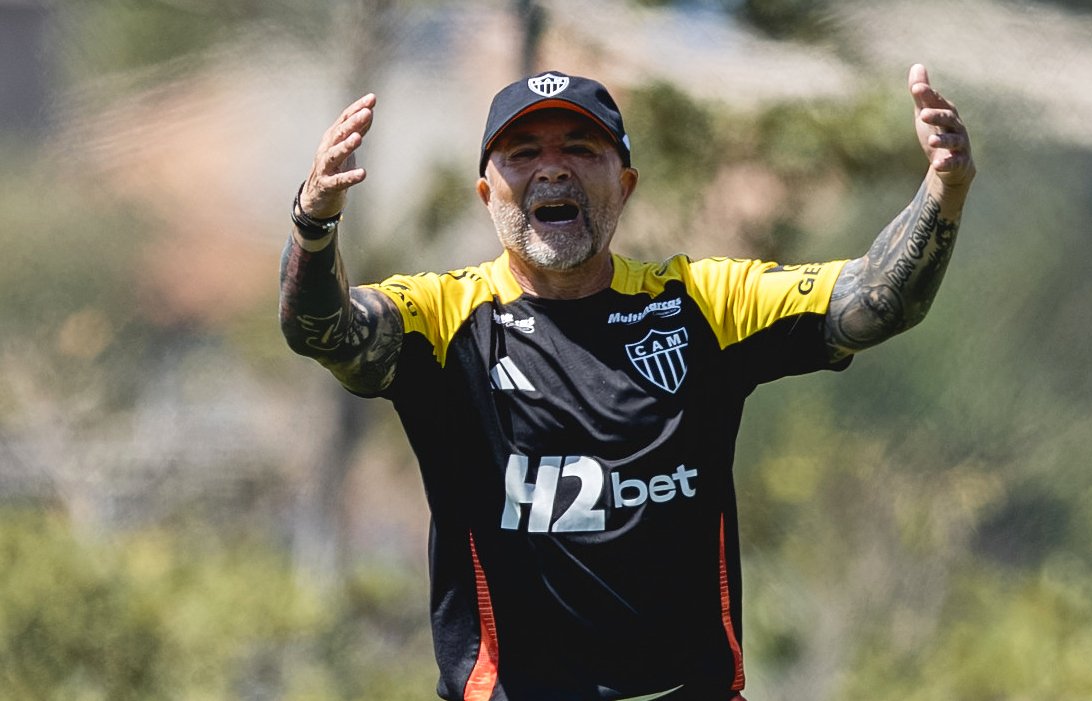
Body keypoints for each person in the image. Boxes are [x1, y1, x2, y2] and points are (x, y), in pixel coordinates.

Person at [279, 65, 974, 701]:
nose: (553, 169)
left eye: (580, 148)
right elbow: (323, 329)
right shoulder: (441, 319)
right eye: (525, 153)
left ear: (626, 183)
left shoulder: (702, 301)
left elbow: (877, 301)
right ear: (488, 194)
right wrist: (313, 225)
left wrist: (945, 187)